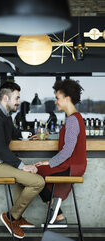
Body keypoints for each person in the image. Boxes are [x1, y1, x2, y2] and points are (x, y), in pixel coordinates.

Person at [0, 81, 45, 239]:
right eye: (17, 98)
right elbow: (0, 148)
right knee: (38, 182)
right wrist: (23, 166)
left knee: (27, 180)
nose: (19, 102)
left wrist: (26, 136)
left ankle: (17, 218)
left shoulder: (5, 115)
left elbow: (13, 132)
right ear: (6, 98)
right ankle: (12, 217)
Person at [34, 79, 87, 228]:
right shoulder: (75, 118)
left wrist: (48, 162)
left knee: (33, 172)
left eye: (58, 98)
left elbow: (68, 150)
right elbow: (68, 140)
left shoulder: (72, 120)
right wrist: (44, 136)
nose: (56, 102)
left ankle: (57, 211)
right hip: (73, 165)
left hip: (71, 166)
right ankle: (57, 213)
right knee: (35, 172)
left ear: (67, 98)